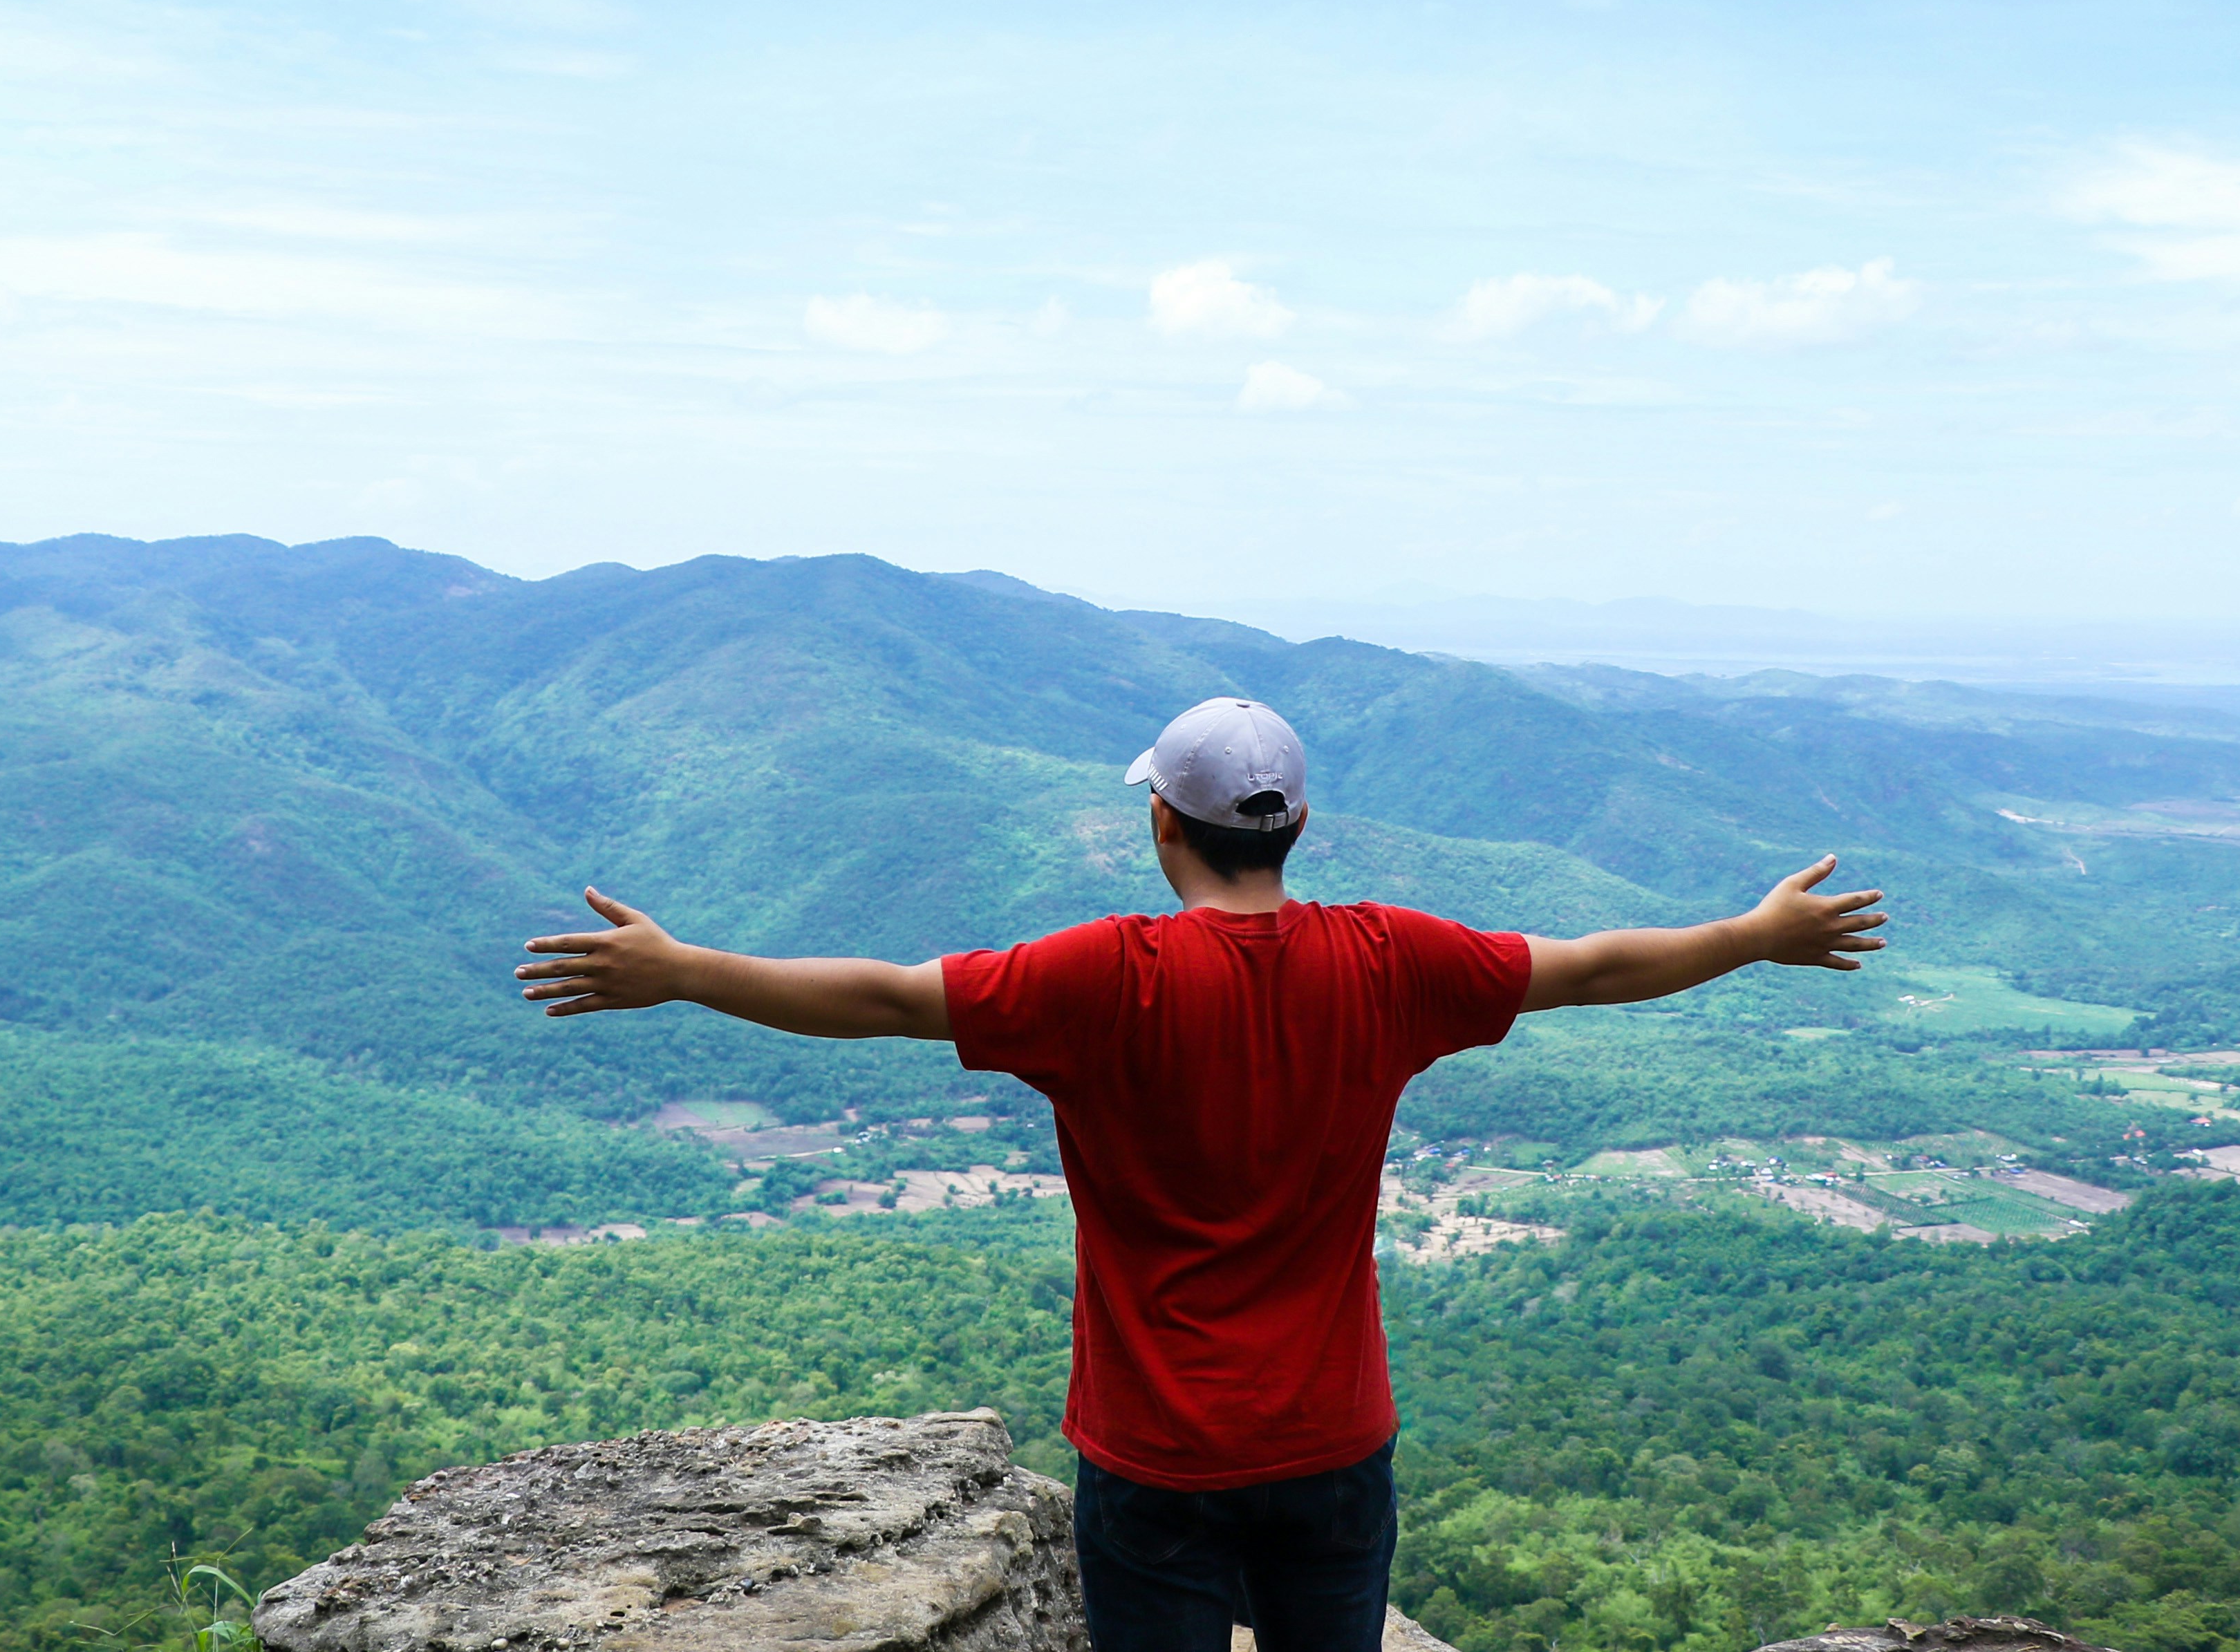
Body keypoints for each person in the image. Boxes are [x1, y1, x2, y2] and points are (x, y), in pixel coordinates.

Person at [512, 693, 1888, 1652]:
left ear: (1162, 826)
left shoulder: (1098, 977)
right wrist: (1757, 932)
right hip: (1336, 1437)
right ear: (1297, 828)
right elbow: (1595, 966)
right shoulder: (1391, 959)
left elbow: (881, 997)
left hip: (1157, 1448)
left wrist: (686, 972)